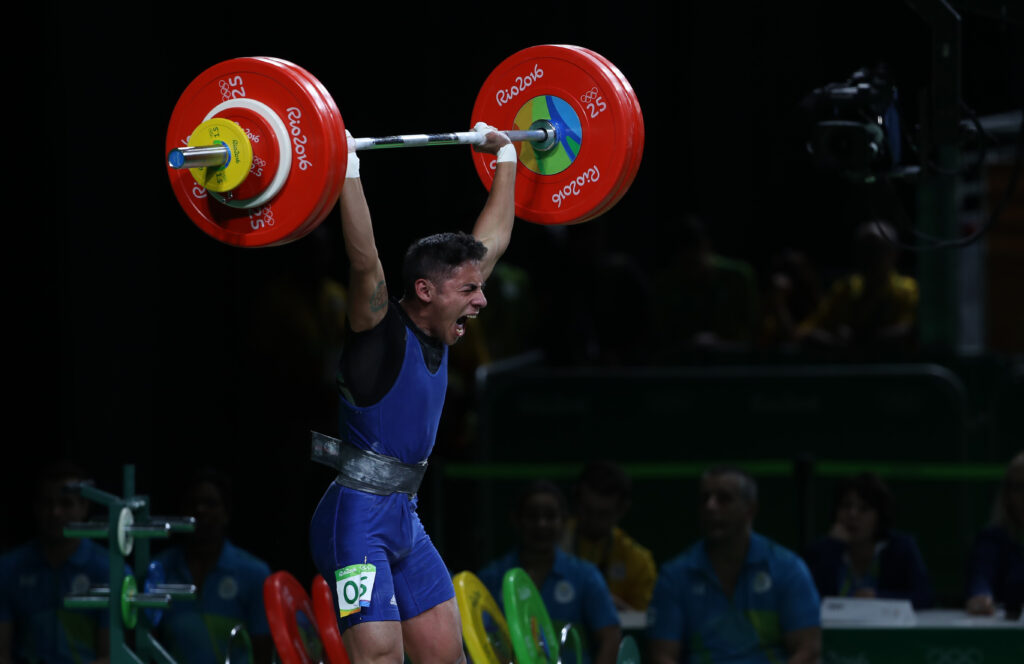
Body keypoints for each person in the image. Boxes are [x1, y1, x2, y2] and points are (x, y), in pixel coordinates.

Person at [308, 122, 517, 664]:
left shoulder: (446, 323)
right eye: (469, 290)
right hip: (355, 519)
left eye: (480, 287)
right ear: (425, 290)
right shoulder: (379, 333)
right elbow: (364, 261)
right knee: (381, 660)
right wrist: (347, 166)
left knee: (448, 657)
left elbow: (491, 243)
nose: (481, 300)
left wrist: (509, 159)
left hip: (403, 515)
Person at [647, 467, 821, 664]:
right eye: (704, 498)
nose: (710, 506)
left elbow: (808, 650)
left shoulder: (788, 568)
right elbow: (662, 656)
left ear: (750, 509)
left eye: (723, 498)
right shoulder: (674, 576)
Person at [477, 480, 622, 664]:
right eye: (532, 516)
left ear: (563, 521)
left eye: (550, 516)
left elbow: (610, 636)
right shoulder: (491, 578)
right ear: (516, 520)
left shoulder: (586, 576)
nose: (542, 524)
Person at [152, 466, 273, 664]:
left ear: (226, 513)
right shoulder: (159, 569)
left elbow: (263, 652)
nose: (200, 510)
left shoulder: (255, 574)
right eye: (193, 504)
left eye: (210, 503)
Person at [0, 460, 111, 664]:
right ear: (35, 507)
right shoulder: (8, 568)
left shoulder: (109, 570)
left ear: (84, 506)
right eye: (46, 503)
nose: (55, 513)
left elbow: (110, 657)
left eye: (65, 503)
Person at [801, 472, 934, 609]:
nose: (852, 515)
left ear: (879, 516)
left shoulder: (901, 548)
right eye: (846, 506)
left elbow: (925, 597)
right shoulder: (820, 551)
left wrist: (878, 597)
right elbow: (807, 599)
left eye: (864, 509)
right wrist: (833, 549)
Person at [796, 220, 918, 357]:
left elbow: (910, 332)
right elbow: (806, 331)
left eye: (877, 249)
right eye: (865, 250)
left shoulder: (909, 290)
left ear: (894, 252)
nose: (871, 258)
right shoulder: (845, 289)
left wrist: (858, 339)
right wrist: (834, 341)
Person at [561, 460, 657, 611]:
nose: (593, 520)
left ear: (622, 509)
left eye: (603, 514)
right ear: (577, 501)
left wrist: (603, 603)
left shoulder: (639, 561)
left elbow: (642, 621)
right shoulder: (552, 544)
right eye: (587, 511)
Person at [965, 450, 1024, 618]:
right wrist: (981, 597)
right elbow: (981, 576)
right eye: (1019, 487)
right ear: (1007, 494)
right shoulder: (992, 539)